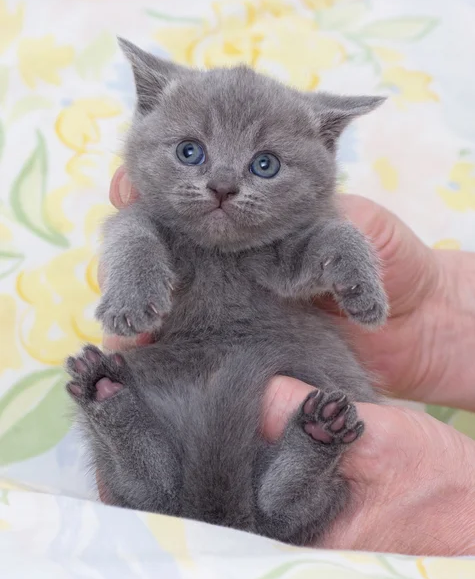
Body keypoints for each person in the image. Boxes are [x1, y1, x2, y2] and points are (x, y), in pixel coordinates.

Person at [102, 166, 475, 556]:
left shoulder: (286, 231)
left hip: (253, 446)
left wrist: (463, 514)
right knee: (161, 478)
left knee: (254, 500)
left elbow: (308, 252)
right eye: (189, 153)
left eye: (264, 164)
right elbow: (133, 231)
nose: (223, 182)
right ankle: (121, 417)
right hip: (181, 436)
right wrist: (433, 302)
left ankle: (117, 411)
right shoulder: (159, 218)